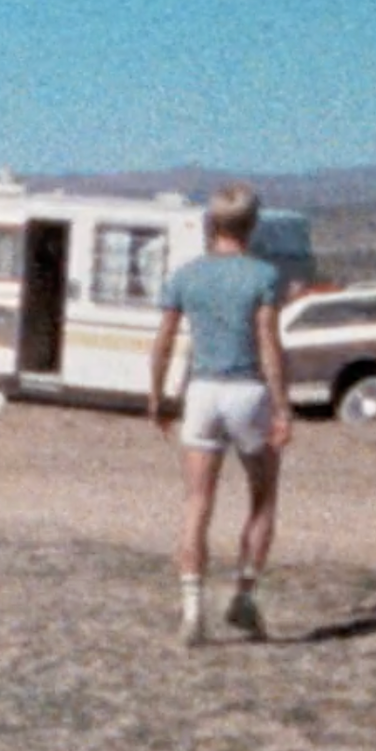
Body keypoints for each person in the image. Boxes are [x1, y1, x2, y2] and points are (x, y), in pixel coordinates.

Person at [147, 184, 292, 644]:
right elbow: (269, 342)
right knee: (263, 497)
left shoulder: (187, 276)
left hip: (203, 391)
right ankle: (244, 594)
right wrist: (282, 405)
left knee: (196, 503)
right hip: (246, 390)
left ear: (212, 224)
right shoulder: (263, 276)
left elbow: (164, 340)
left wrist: (156, 394)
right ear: (252, 225)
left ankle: (192, 609)